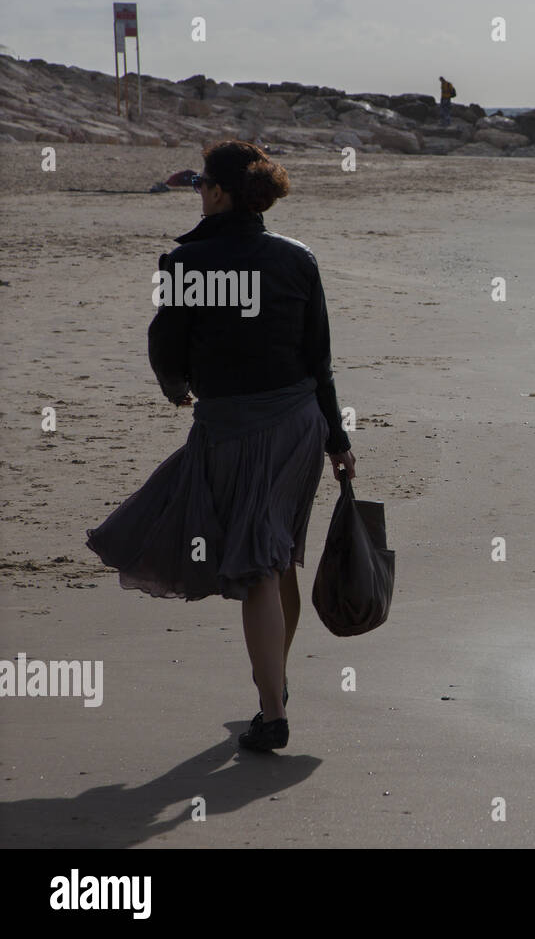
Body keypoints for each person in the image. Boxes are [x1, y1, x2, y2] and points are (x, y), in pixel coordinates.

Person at [86, 140, 355, 752]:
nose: (199, 192)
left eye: (203, 183)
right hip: (299, 425)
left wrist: (176, 387)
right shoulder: (298, 260)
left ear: (221, 192)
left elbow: (166, 349)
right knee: (277, 554)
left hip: (233, 428)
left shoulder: (188, 265)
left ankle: (272, 711)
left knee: (259, 563)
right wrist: (338, 439)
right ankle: (274, 687)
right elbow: (320, 362)